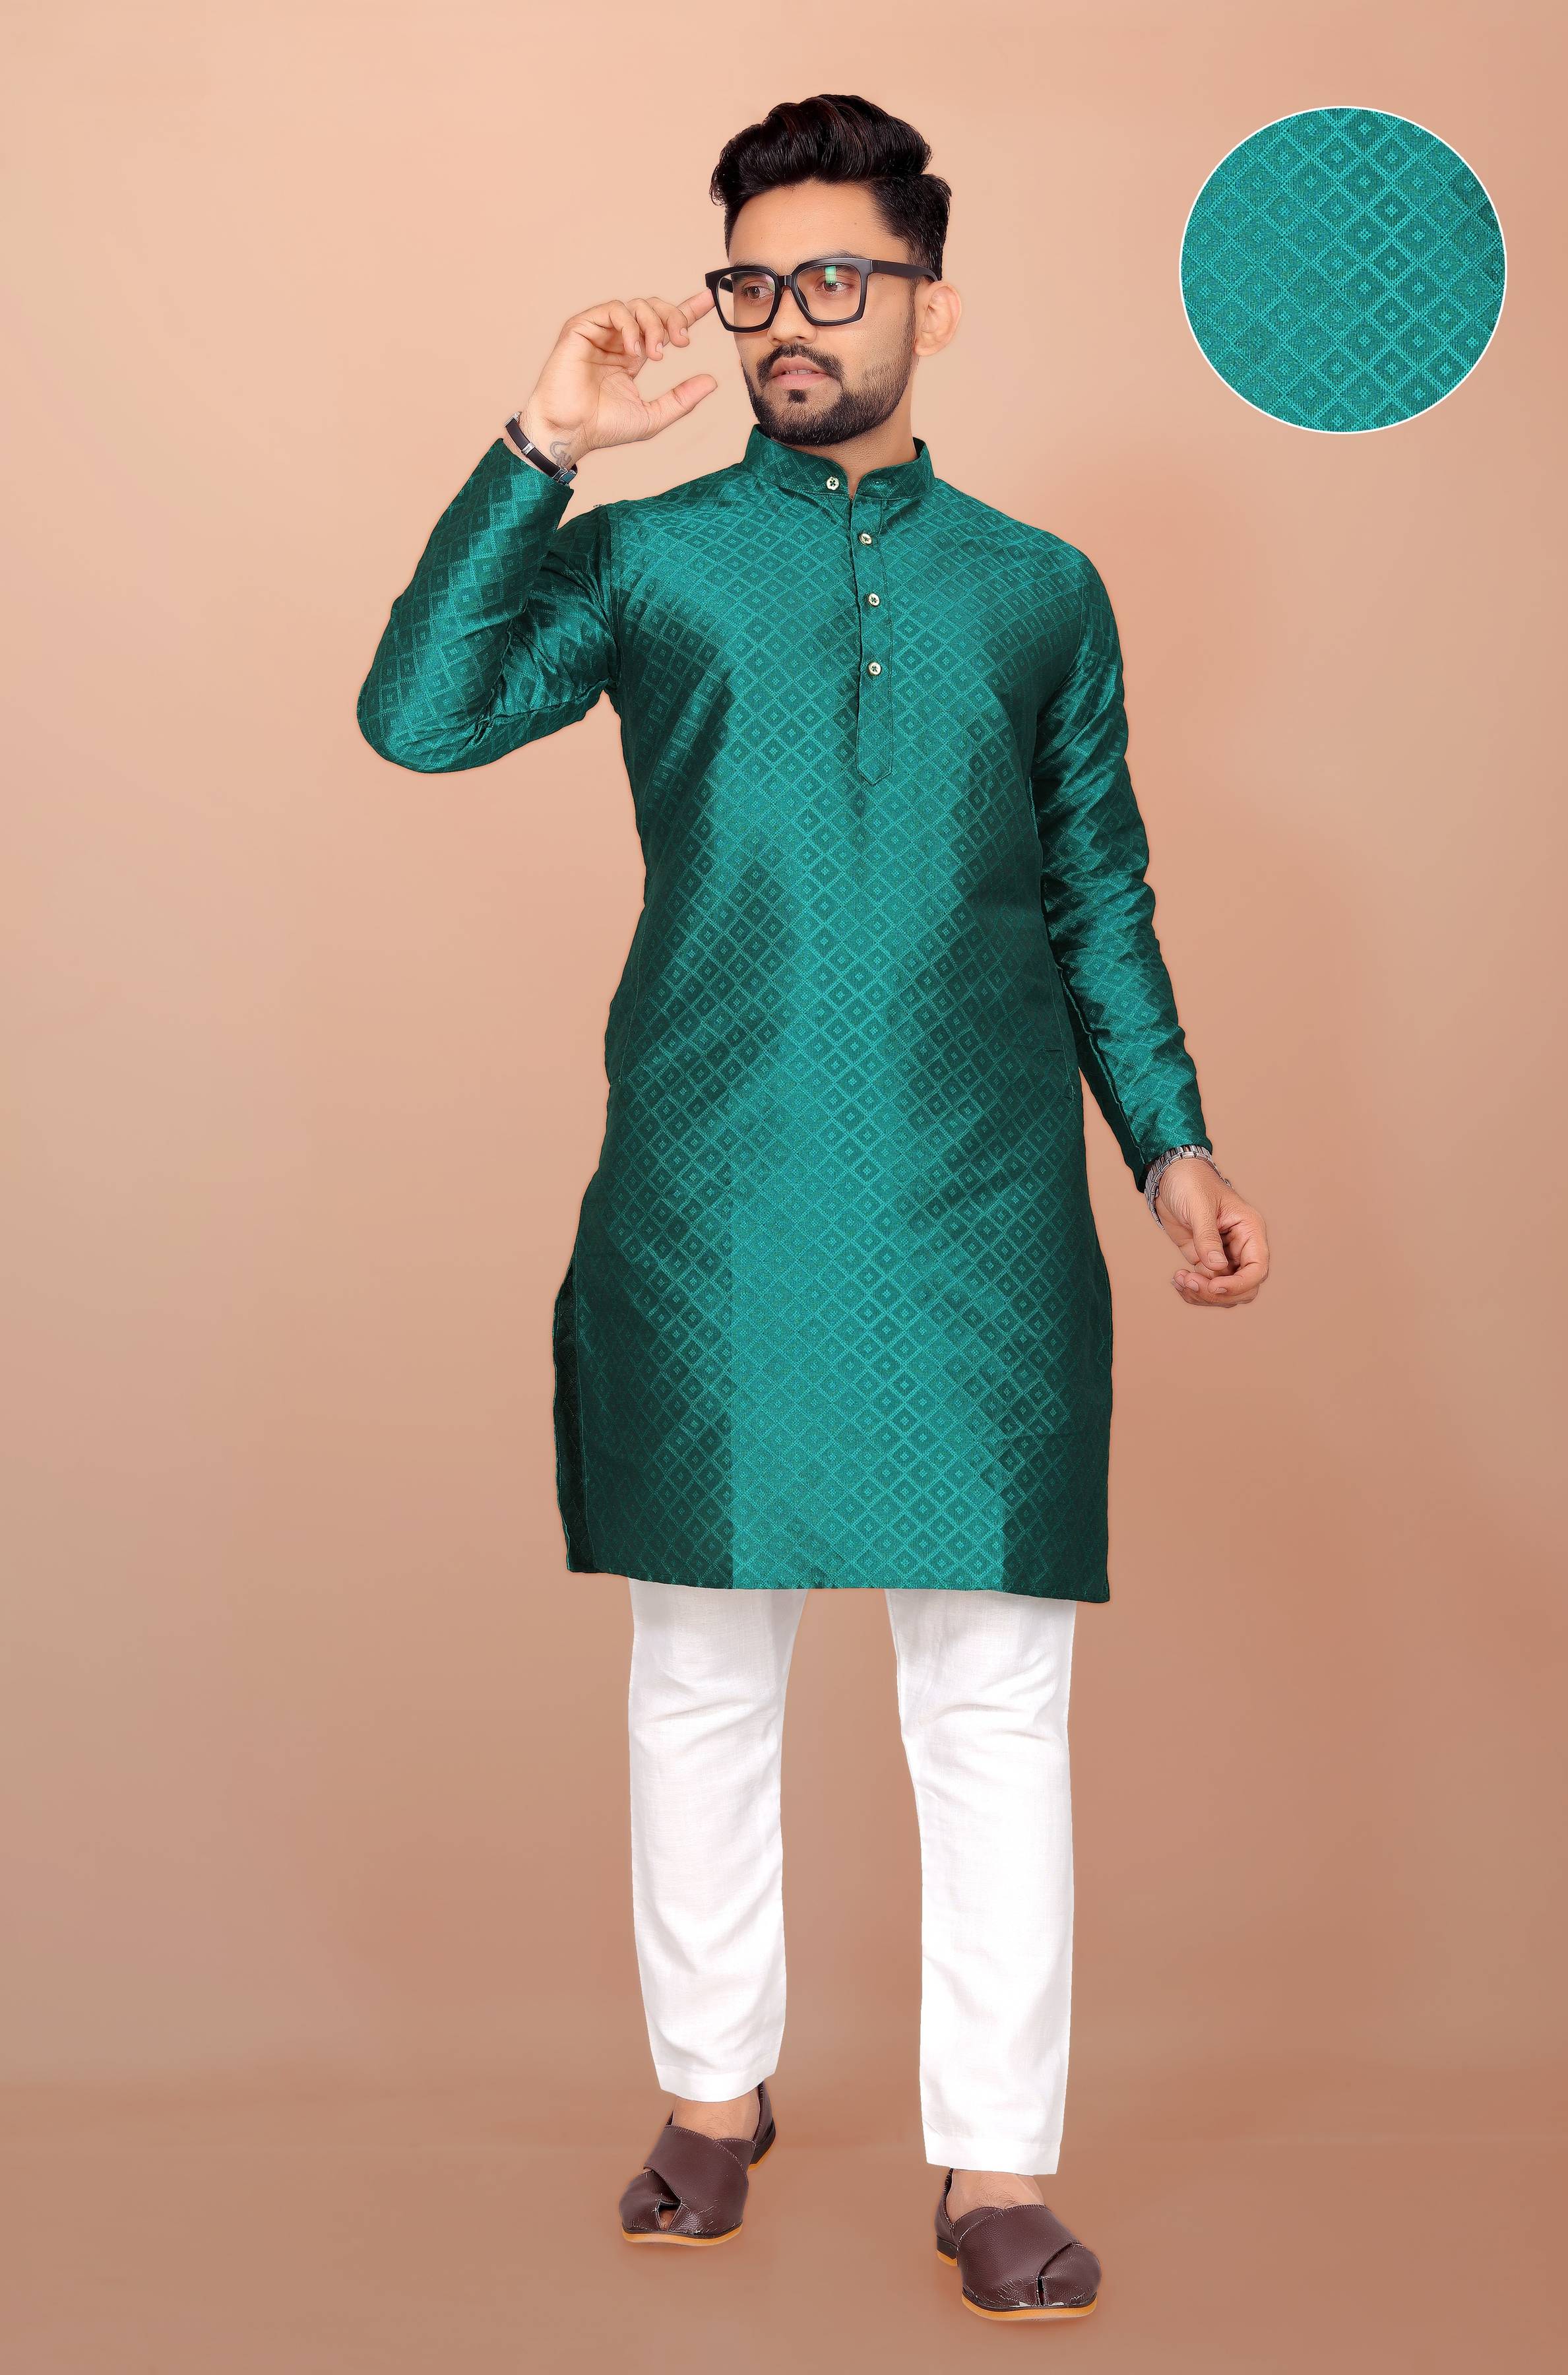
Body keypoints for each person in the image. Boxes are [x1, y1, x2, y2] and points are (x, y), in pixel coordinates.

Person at [356, 92, 1270, 2322]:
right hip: (711, 1194)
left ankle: (998, 2165)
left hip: (980, 1206)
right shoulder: (651, 560)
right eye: (755, 281)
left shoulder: (1039, 589)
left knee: (993, 1698)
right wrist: (539, 444)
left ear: (930, 307)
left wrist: (1171, 1146)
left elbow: (1096, 895)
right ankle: (710, 2094)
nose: (790, 318)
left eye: (837, 278)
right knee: (699, 1672)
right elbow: (418, 716)